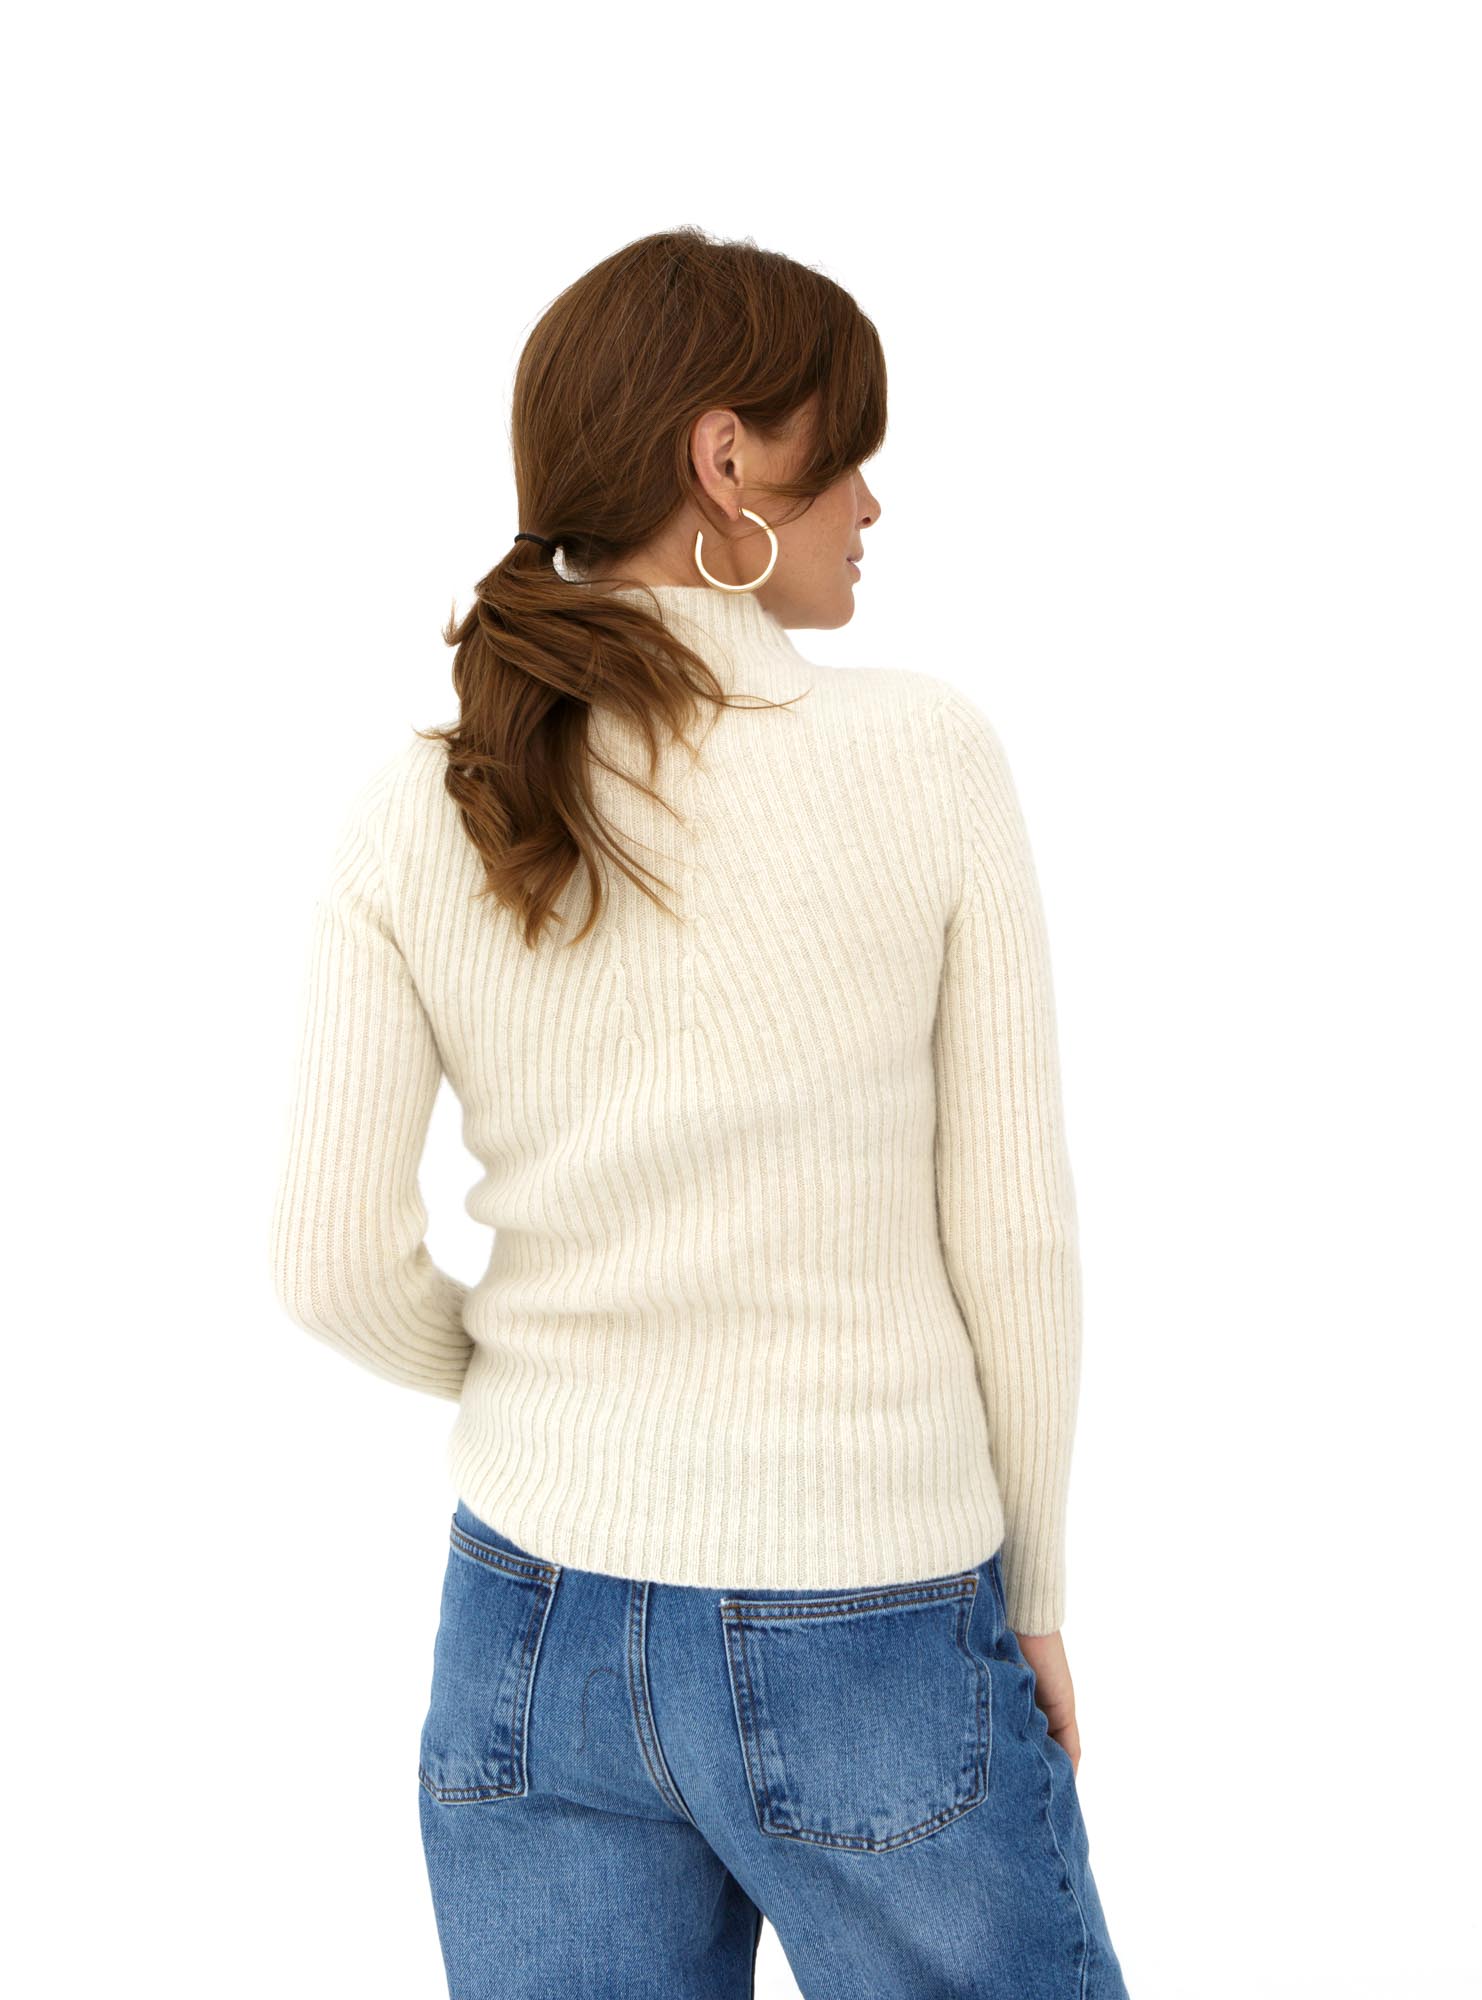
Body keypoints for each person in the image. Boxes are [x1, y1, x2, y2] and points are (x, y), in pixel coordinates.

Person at [267, 225, 1130, 2000]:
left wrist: (549, 1370)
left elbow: (328, 1265)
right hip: (870, 1613)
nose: (873, 502)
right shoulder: (924, 756)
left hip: (528, 1625)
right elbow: (1014, 1233)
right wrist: (1036, 1596)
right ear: (724, 461)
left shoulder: (422, 797)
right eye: (848, 451)